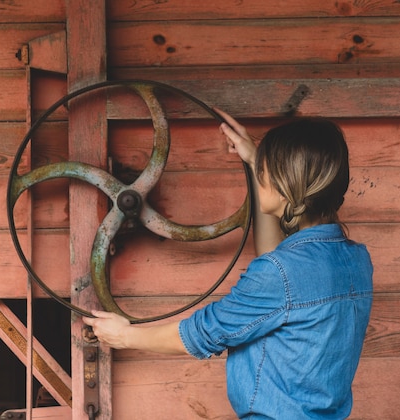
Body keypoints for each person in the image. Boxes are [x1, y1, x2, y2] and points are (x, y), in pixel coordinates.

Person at [83, 109, 374, 419]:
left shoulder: (282, 274)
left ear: (289, 183)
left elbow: (204, 333)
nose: (261, 173)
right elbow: (280, 273)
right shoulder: (356, 261)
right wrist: (252, 163)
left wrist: (125, 336)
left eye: (266, 168)